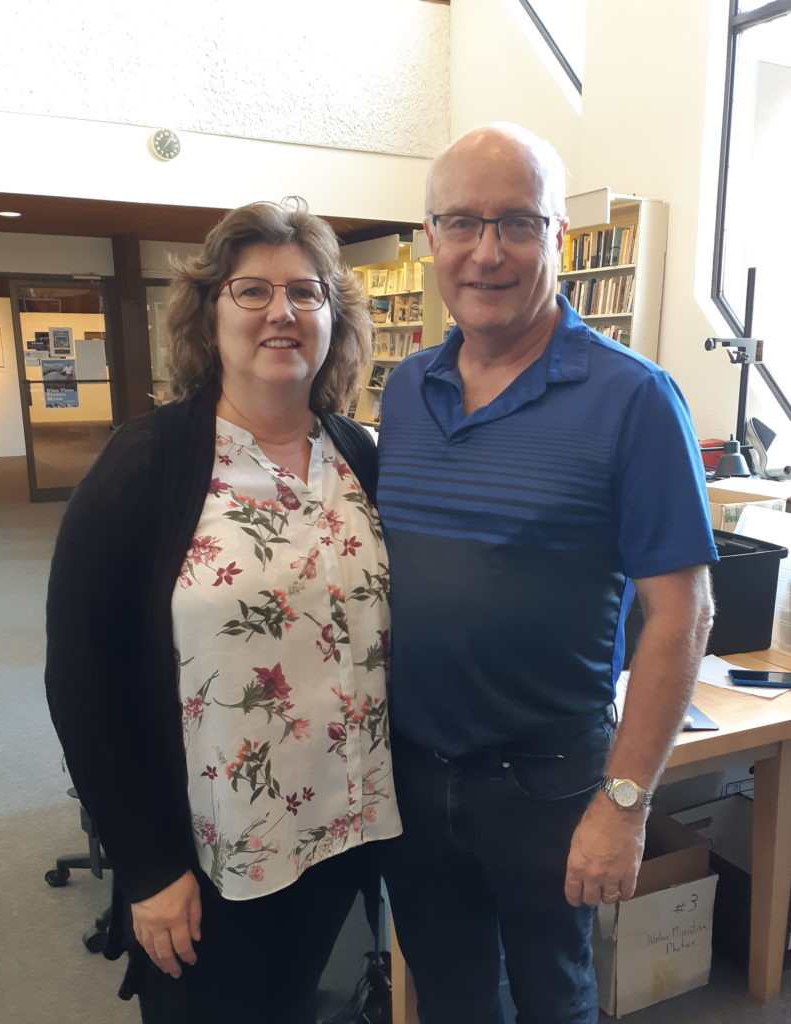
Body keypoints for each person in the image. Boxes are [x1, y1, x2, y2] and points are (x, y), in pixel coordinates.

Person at [374, 123, 717, 1023]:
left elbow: (683, 617)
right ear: (428, 243)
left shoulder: (633, 397)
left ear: (556, 239)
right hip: (409, 772)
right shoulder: (405, 391)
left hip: (550, 781)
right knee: (447, 994)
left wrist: (626, 805)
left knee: (552, 997)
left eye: (517, 224)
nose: (488, 253)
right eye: (461, 224)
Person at [45, 198, 401, 1024]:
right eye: (252, 290)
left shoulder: (359, 458)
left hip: (350, 834)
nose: (281, 311)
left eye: (306, 292)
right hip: (211, 859)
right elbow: (80, 680)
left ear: (332, 318)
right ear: (210, 315)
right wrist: (145, 866)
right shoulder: (149, 462)